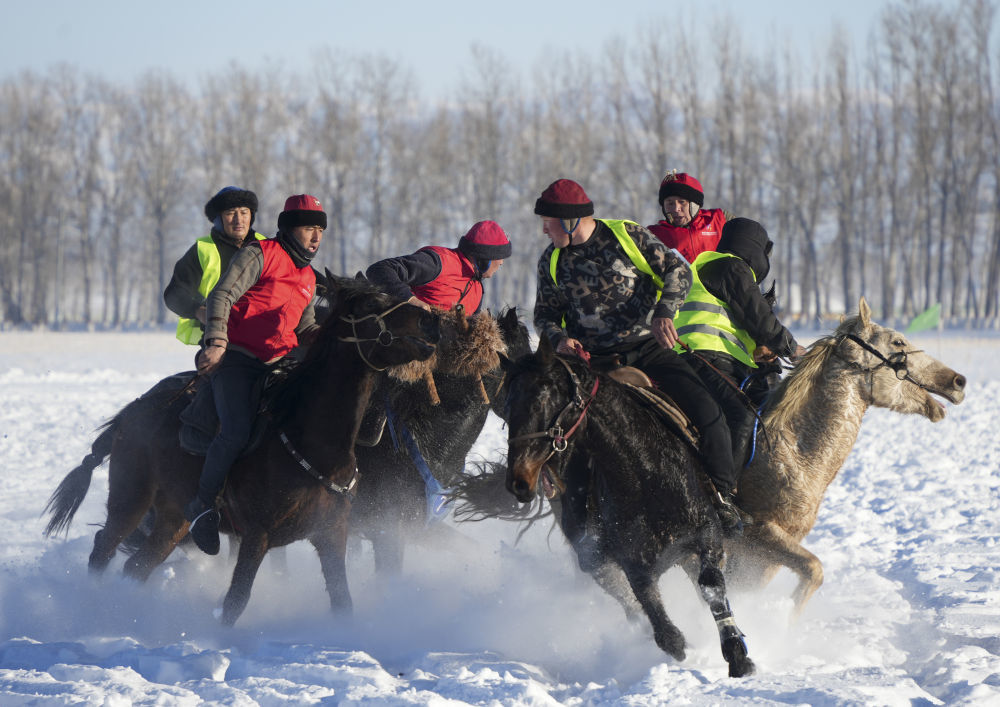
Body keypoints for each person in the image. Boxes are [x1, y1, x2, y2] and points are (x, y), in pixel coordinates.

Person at [532, 178, 745, 535]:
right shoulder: (551, 260)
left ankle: (723, 501)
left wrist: (665, 311)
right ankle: (579, 528)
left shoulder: (626, 236)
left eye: (548, 222)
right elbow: (544, 315)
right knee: (558, 437)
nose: (543, 230)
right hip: (591, 365)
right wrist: (559, 338)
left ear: (569, 221)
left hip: (648, 350)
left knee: (710, 416)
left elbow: (677, 270)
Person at [183, 194, 327, 555]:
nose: (316, 237)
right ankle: (202, 507)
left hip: (279, 363)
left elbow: (305, 326)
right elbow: (221, 295)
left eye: (321, 229)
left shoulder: (309, 276)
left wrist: (326, 340)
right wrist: (216, 340)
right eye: (309, 228)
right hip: (238, 358)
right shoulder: (260, 254)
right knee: (236, 431)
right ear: (289, 228)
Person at [674, 217, 807, 474]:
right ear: (755, 250)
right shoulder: (732, 266)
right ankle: (725, 492)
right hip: (707, 354)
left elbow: (739, 321)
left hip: (685, 354)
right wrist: (791, 348)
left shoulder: (701, 265)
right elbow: (758, 317)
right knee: (742, 416)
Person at [164, 186, 267, 345]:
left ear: (251, 216)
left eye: (244, 212)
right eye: (230, 213)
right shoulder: (202, 249)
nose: (238, 220)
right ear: (218, 219)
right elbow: (174, 293)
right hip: (217, 336)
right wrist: (199, 311)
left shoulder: (267, 246)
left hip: (262, 333)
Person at [365, 220, 512, 313]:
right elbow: (378, 270)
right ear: (484, 257)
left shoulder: (478, 289)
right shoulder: (437, 263)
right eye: (499, 256)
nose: (502, 262)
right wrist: (410, 299)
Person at [647, 171, 730, 264]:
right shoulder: (653, 235)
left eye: (682, 202)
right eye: (670, 203)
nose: (676, 209)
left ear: (695, 204)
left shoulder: (719, 219)